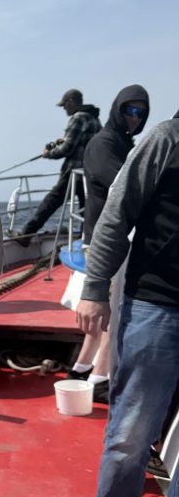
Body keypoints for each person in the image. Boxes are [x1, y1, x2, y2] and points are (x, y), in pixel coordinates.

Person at [78, 113, 179, 497]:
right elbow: (117, 214)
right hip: (157, 306)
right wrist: (95, 287)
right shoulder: (166, 139)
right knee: (132, 430)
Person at [67, 85, 150, 403]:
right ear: (117, 109)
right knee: (113, 314)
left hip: (111, 238)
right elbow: (124, 184)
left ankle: (81, 368)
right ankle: (101, 379)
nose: (134, 117)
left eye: (140, 113)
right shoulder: (105, 143)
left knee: (101, 315)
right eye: (130, 110)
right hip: (108, 241)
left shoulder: (122, 143)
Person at [17, 88, 101, 241]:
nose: (64, 109)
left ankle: (26, 234)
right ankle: (86, 239)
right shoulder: (94, 119)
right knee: (86, 209)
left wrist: (48, 153)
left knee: (51, 201)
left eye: (64, 105)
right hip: (88, 173)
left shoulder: (78, 118)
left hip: (74, 172)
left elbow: (67, 148)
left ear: (71, 102)